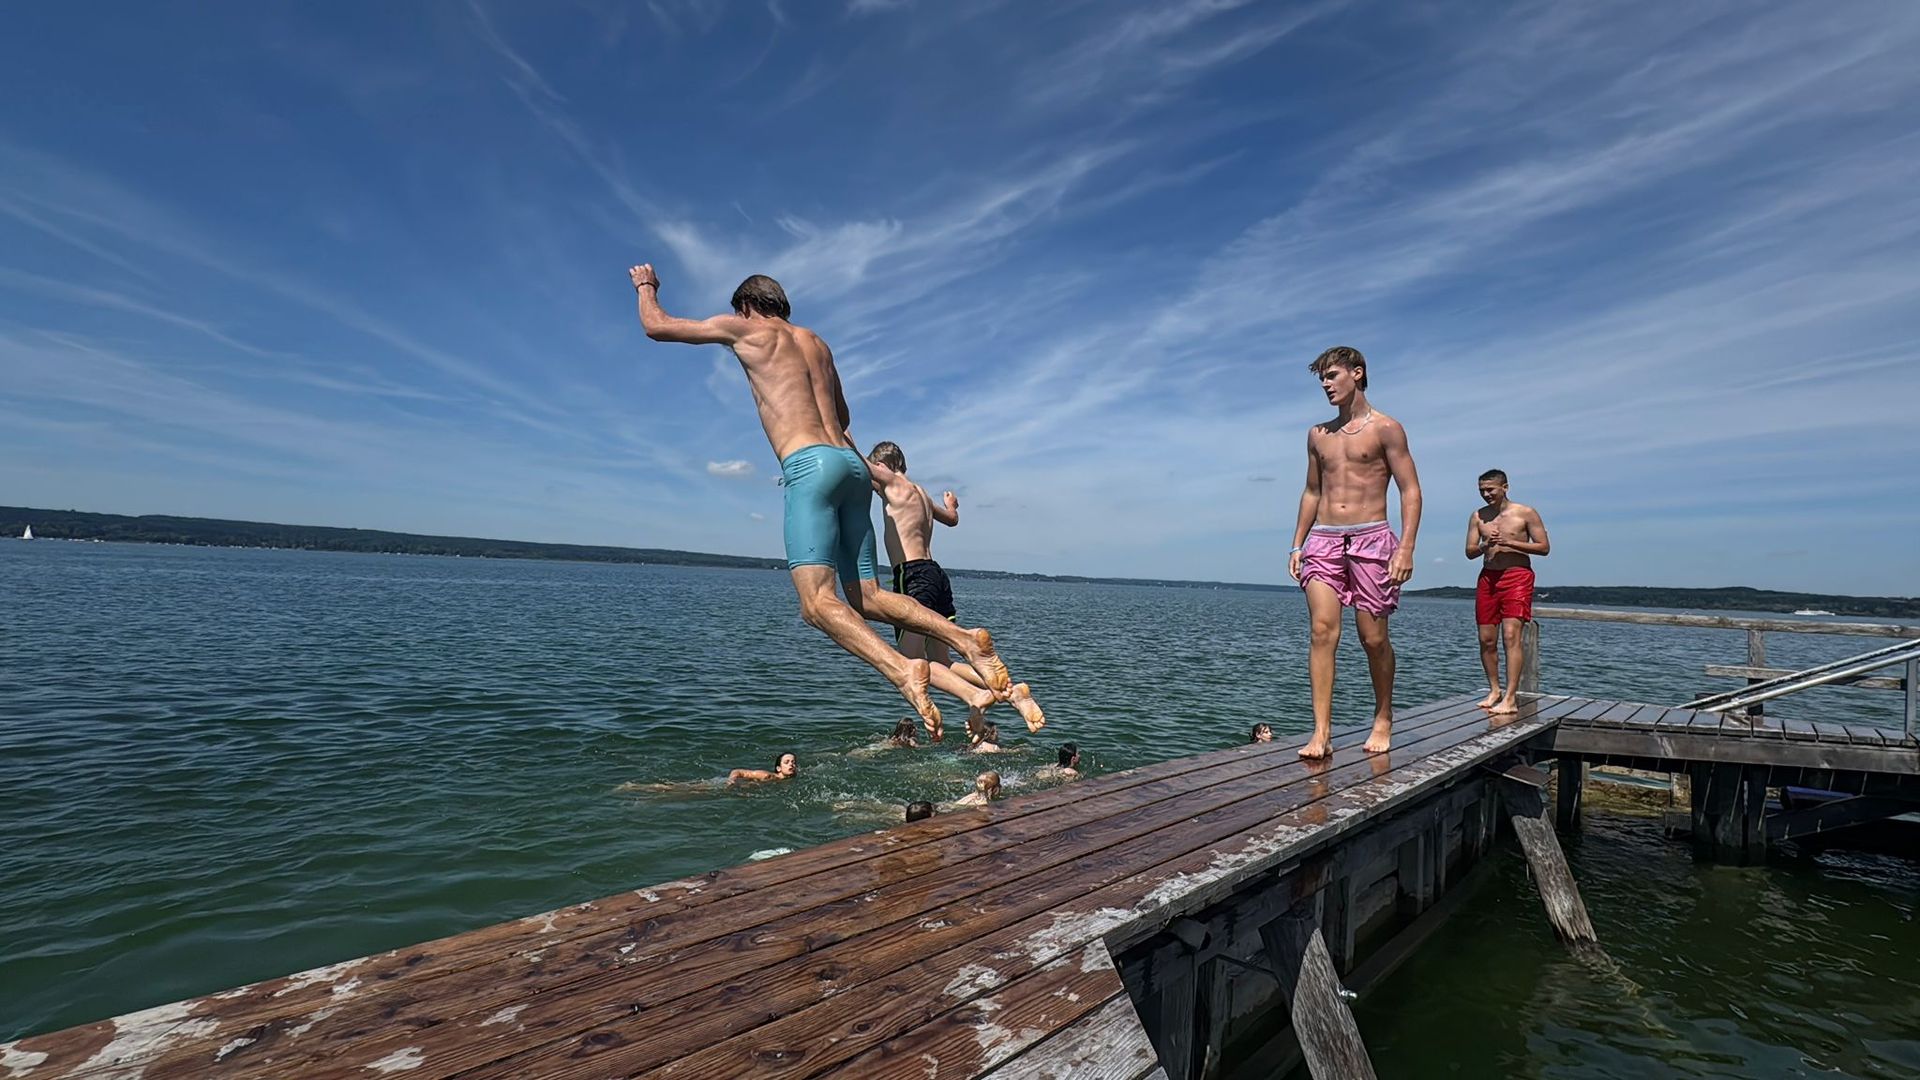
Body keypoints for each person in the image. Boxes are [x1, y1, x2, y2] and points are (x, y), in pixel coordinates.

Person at [630, 266, 1015, 738]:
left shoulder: (745, 328)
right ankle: (962, 638)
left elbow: (657, 326)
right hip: (851, 467)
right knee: (868, 596)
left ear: (747, 306)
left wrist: (646, 286)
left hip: (810, 465)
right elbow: (844, 413)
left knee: (816, 604)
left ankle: (902, 671)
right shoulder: (817, 343)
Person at [1288, 346, 1423, 758]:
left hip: (1372, 539)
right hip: (1324, 540)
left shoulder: (1387, 428)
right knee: (1322, 631)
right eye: (1322, 379)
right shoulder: (1318, 435)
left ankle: (1383, 716)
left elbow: (1410, 489)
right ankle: (1321, 732)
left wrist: (1406, 548)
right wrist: (1297, 543)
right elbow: (1313, 491)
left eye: (1332, 376)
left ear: (1357, 373)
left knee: (1373, 638)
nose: (1326, 385)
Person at [868, 441, 1046, 736]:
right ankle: (1012, 693)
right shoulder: (921, 494)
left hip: (911, 577)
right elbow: (951, 519)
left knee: (913, 661)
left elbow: (854, 460)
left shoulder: (893, 484)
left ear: (883, 467)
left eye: (877, 477)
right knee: (941, 661)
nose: (875, 486)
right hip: (936, 575)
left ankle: (975, 697)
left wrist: (841, 430)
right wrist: (952, 504)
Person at [1466, 469, 1550, 715]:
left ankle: (1511, 697)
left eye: (1490, 489)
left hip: (1517, 576)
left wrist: (1510, 543)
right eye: (1482, 490)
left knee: (1511, 636)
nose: (1486, 494)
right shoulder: (1478, 516)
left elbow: (1544, 547)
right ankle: (1494, 689)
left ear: (1505, 487)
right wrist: (1485, 545)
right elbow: (1469, 551)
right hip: (1488, 578)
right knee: (1486, 638)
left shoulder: (1525, 513)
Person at [728, 752, 798, 785]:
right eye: (786, 762)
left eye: (793, 762)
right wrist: (732, 779)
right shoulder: (767, 776)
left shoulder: (793, 776)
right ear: (778, 768)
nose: (791, 764)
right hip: (735, 785)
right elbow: (738, 771)